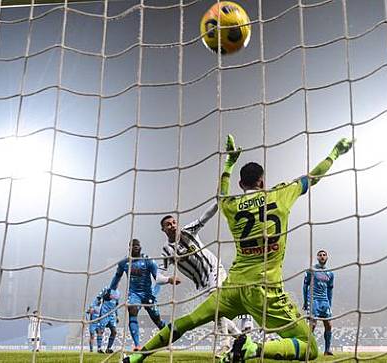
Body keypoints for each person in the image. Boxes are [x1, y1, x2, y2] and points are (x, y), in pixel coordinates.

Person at [124, 135, 353, 363]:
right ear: (262, 182)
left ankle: (137, 356)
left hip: (232, 287)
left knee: (188, 321)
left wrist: (229, 163)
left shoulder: (231, 205)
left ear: (241, 185)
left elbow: (221, 194)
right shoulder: (281, 194)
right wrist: (335, 153)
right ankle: (253, 348)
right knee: (310, 348)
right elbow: (313, 177)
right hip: (265, 288)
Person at [159, 204, 247, 356]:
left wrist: (218, 203)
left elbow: (204, 217)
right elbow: (158, 274)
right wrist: (168, 279)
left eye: (174, 223)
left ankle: (224, 343)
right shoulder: (167, 250)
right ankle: (241, 338)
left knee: (216, 306)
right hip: (202, 284)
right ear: (163, 230)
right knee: (216, 314)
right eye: (168, 225)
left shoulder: (188, 231)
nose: (172, 226)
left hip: (214, 269)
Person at [109, 238, 180, 351]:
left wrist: (169, 279)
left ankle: (168, 337)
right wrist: (111, 290)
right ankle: (137, 345)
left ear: (140, 247)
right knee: (132, 311)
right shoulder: (124, 263)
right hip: (134, 294)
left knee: (156, 319)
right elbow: (117, 277)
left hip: (148, 294)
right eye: (133, 245)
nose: (136, 246)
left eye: (137, 245)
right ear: (129, 248)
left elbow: (158, 277)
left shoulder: (148, 261)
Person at [303, 249, 334, 356]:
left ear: (327, 257)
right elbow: (305, 285)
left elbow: (330, 289)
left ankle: (327, 350)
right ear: (317, 257)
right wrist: (305, 301)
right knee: (313, 324)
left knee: (329, 325)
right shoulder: (311, 270)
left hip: (324, 301)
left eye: (324, 255)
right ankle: (307, 348)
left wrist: (330, 303)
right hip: (313, 300)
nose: (322, 256)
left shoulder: (330, 273)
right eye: (320, 255)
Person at [96, 288, 120, 354]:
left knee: (114, 331)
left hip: (112, 315)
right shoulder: (106, 289)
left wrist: (117, 315)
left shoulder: (118, 292)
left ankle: (108, 348)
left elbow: (116, 305)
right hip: (104, 313)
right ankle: (99, 348)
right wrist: (98, 301)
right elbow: (98, 297)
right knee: (101, 331)